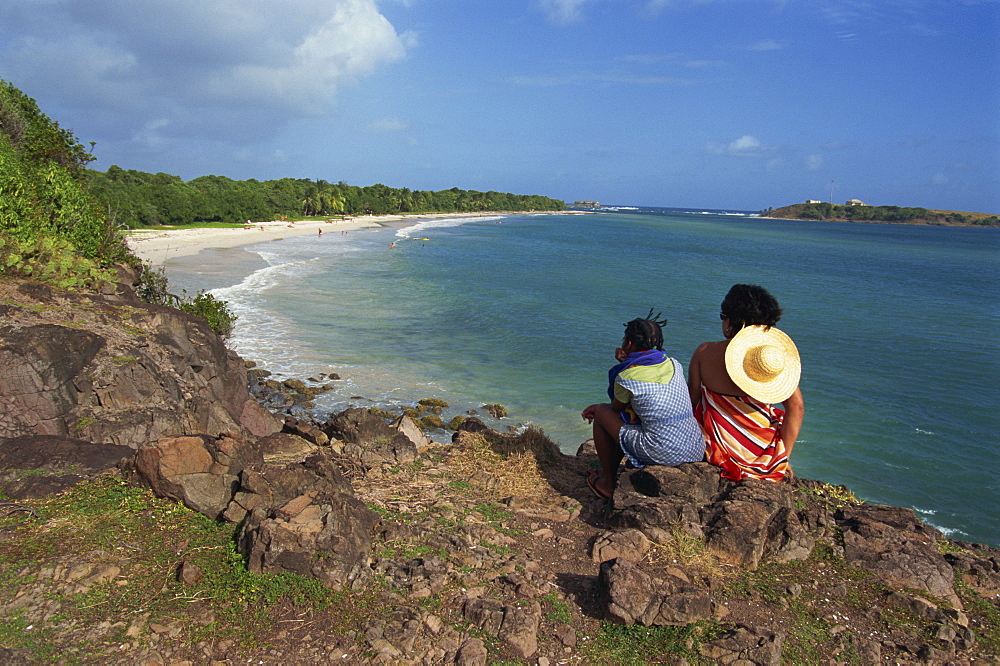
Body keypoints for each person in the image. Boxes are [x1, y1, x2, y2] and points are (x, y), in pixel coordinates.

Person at [582, 310, 705, 499]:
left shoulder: (627, 376)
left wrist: (623, 366)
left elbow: (616, 408)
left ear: (628, 344)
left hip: (662, 451)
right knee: (631, 416)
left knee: (601, 411)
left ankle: (607, 483)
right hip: (694, 447)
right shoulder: (674, 364)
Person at [688, 284, 804, 482]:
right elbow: (797, 407)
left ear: (734, 321)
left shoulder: (704, 352)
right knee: (778, 416)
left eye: (723, 316)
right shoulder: (768, 360)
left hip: (719, 448)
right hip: (763, 453)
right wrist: (782, 458)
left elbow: (692, 402)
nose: (722, 322)